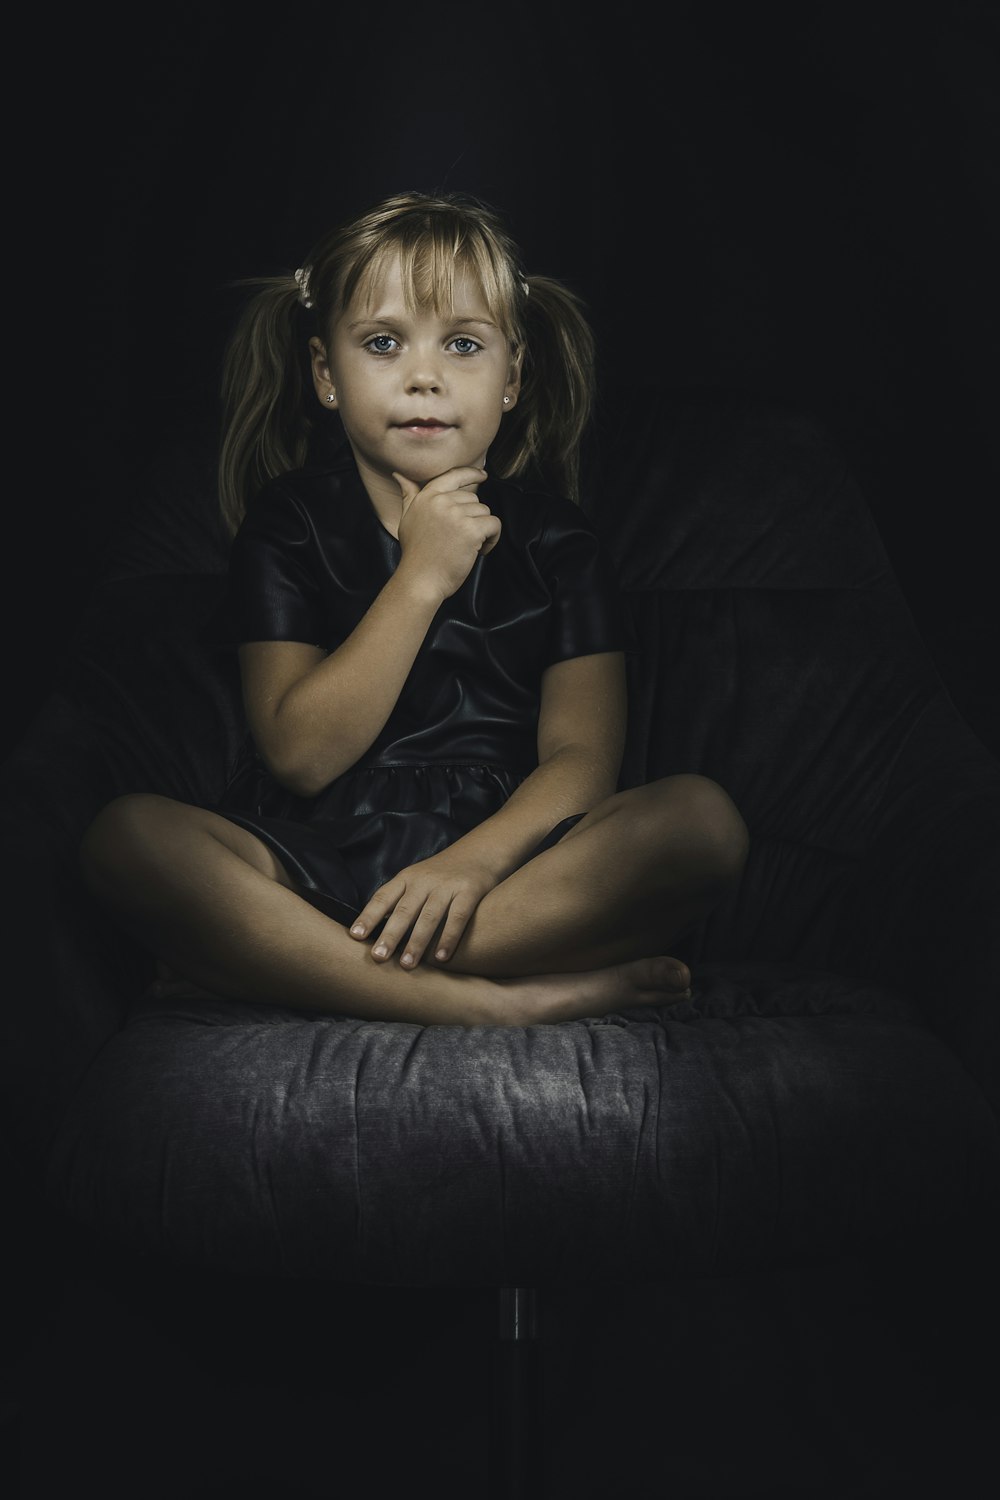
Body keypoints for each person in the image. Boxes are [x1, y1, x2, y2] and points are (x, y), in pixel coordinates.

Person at [80, 190, 749, 1027]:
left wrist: (466, 869)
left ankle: (286, 961)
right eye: (384, 343)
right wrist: (422, 575)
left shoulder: (558, 543)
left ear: (512, 378)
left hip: (506, 868)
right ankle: (496, 1006)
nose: (424, 375)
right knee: (127, 838)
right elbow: (300, 755)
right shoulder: (290, 522)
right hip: (316, 849)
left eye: (463, 345)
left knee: (699, 822)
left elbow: (581, 761)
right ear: (327, 374)